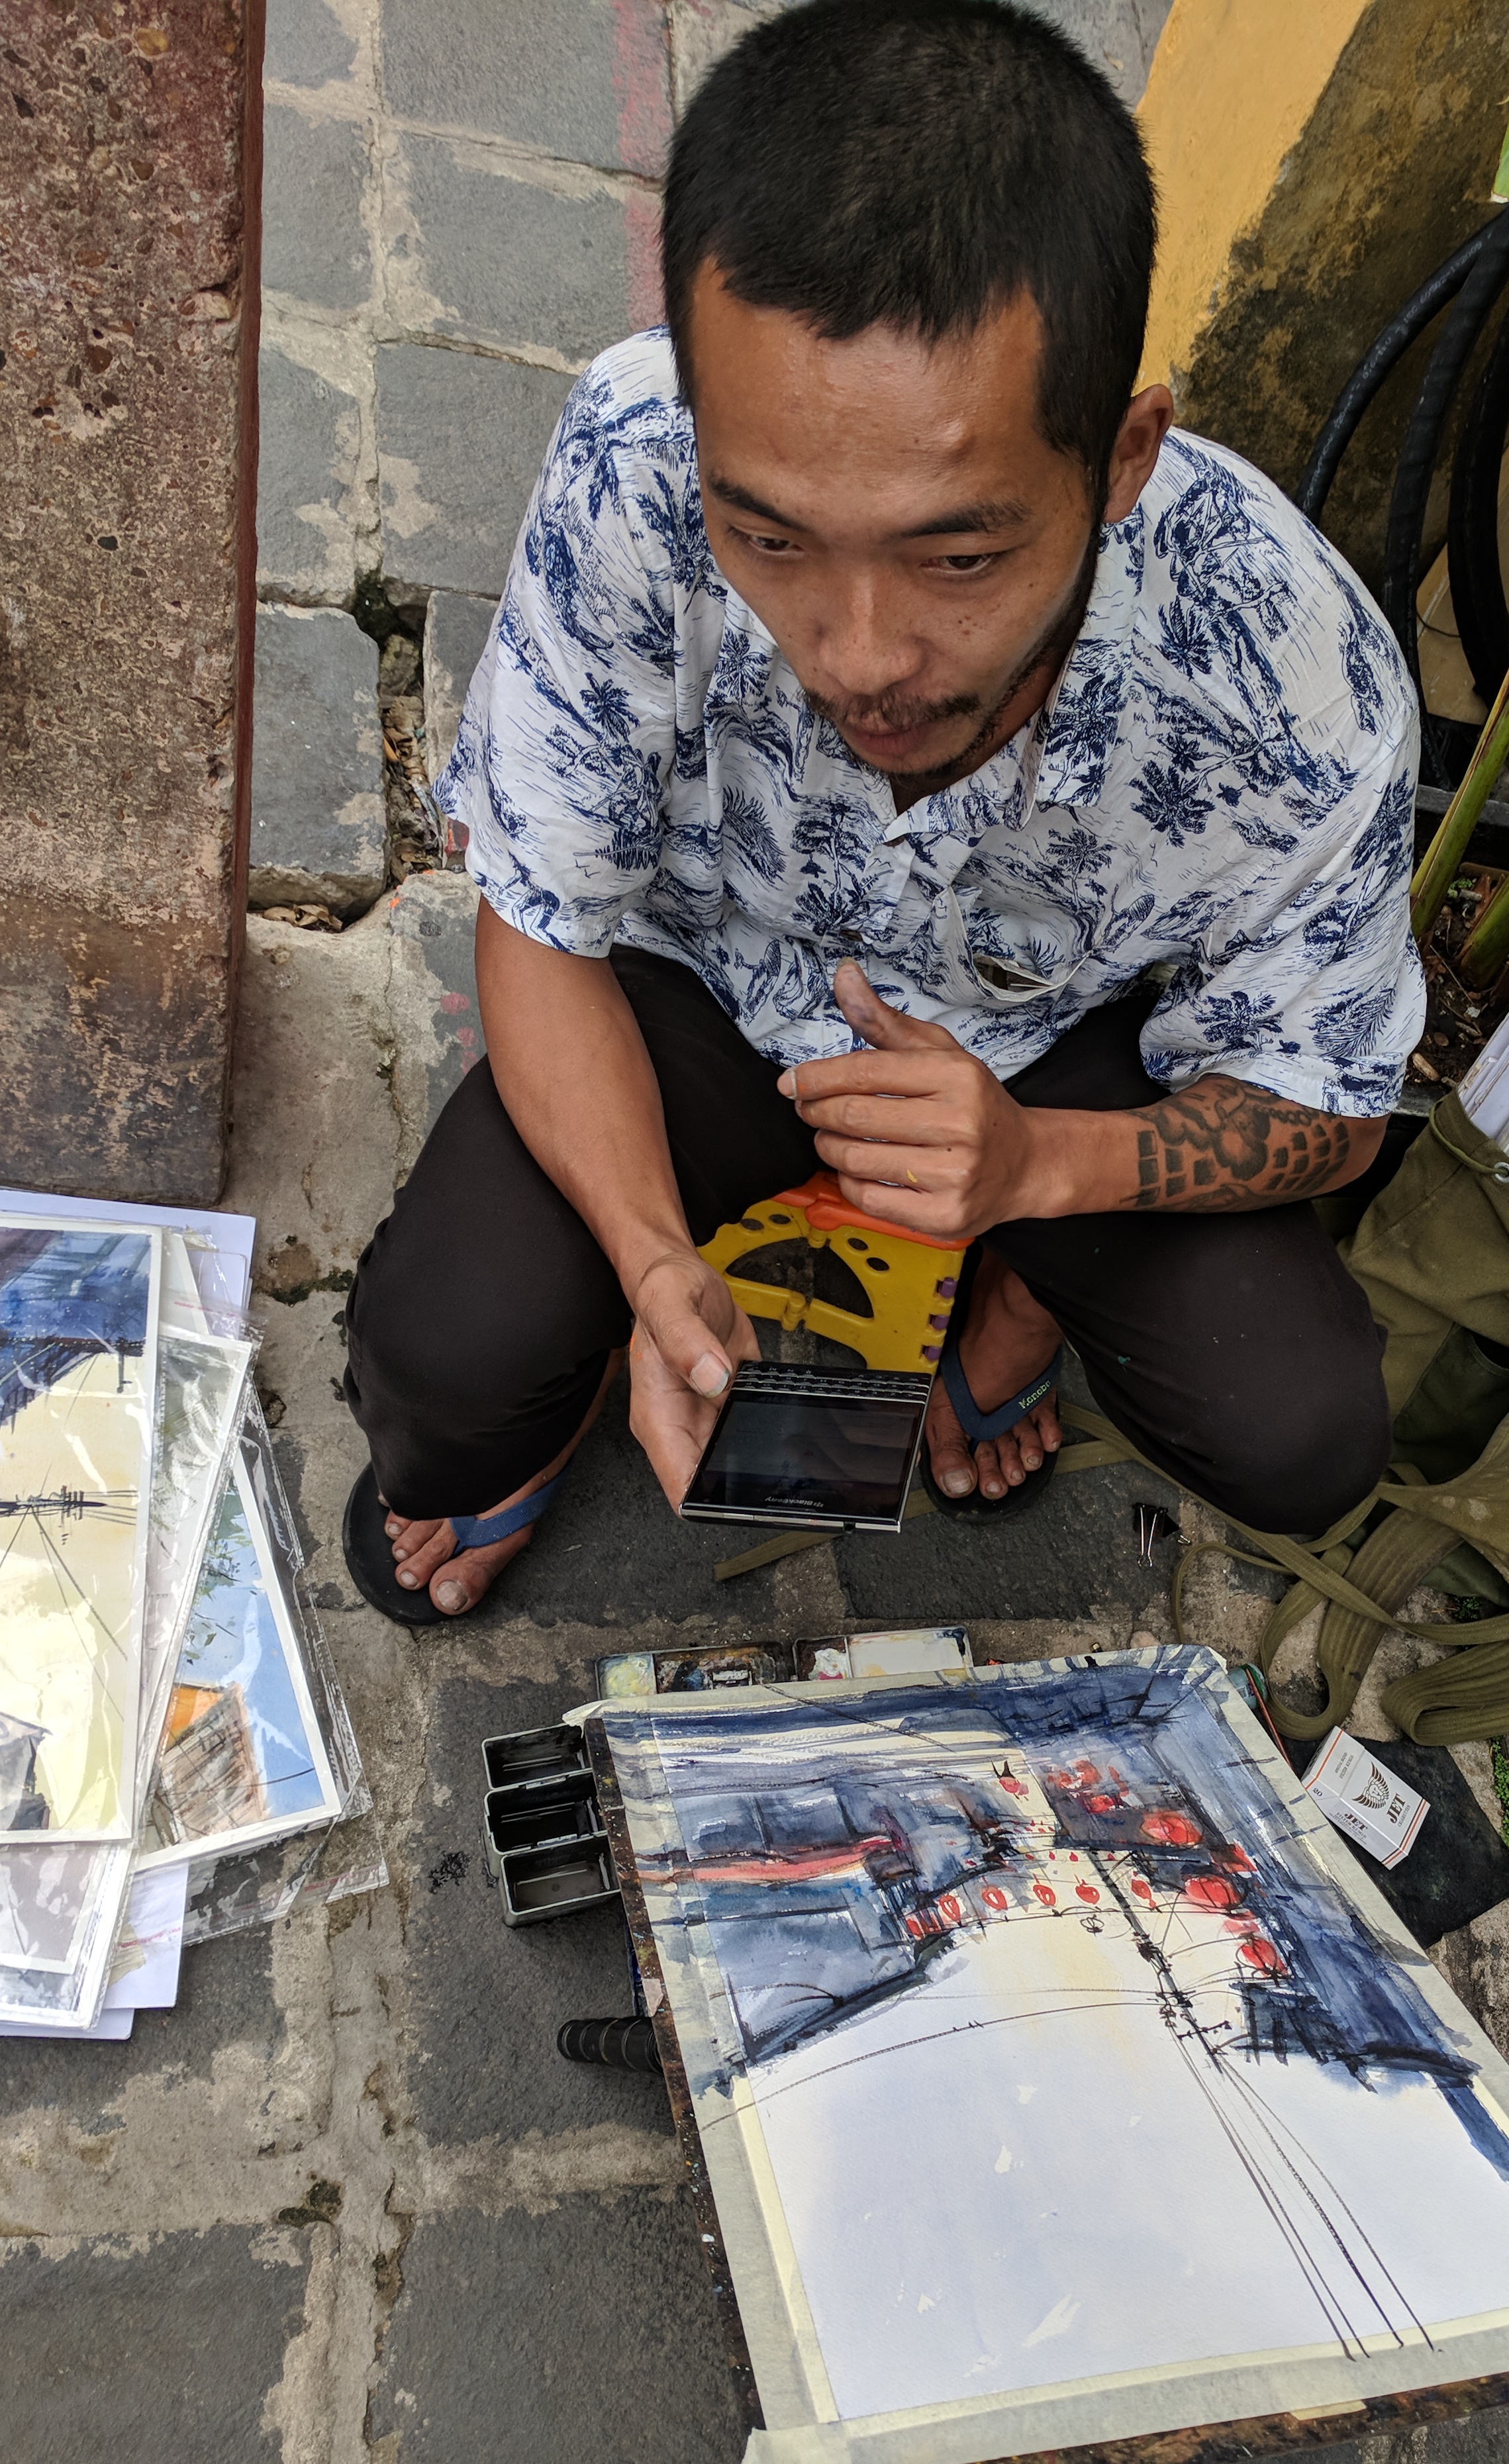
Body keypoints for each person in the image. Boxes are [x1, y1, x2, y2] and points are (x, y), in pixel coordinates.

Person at [341, 0, 1424, 1625]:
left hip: (1047, 1043)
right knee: (442, 1370)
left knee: (1301, 1428)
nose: (858, 656)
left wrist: (1037, 1165)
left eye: (959, 556)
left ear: (1123, 458)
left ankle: (1008, 1295)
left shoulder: (1295, 678)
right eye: (770, 537)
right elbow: (543, 915)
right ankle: (593, 1368)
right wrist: (649, 1262)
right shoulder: (634, 457)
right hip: (703, 984)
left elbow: (1329, 1097)